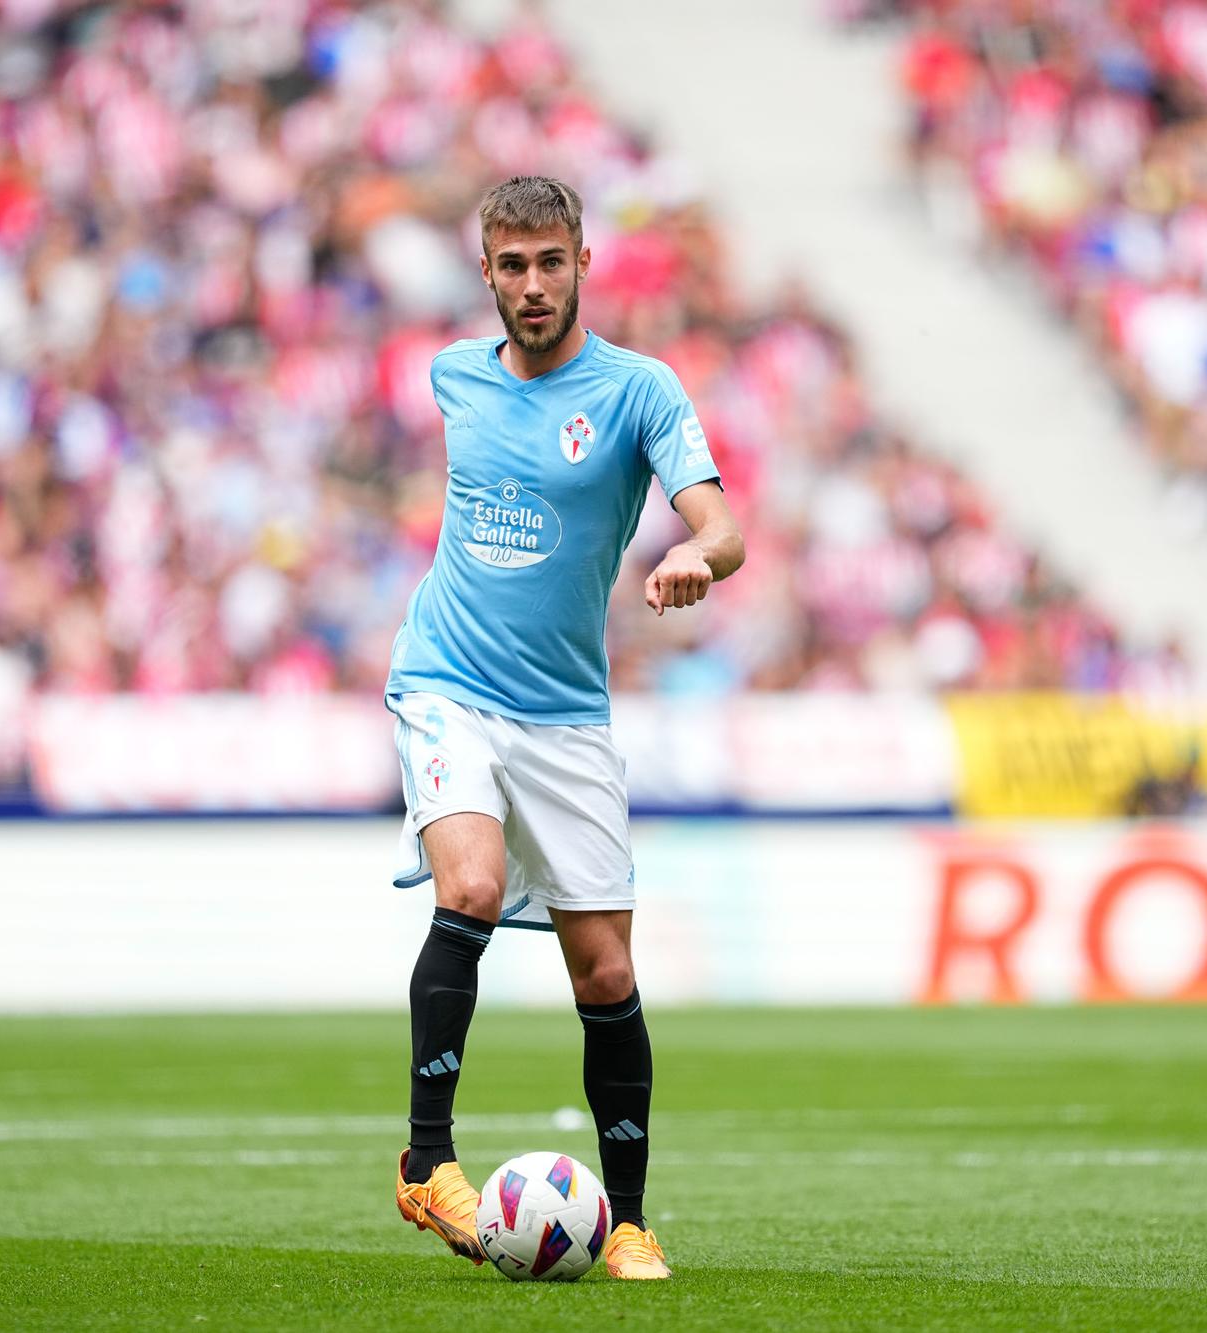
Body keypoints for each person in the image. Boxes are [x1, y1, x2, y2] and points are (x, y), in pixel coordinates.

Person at [387, 176, 744, 1280]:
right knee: (472, 889)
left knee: (602, 971)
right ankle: (426, 1163)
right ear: (486, 273)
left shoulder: (638, 392)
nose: (532, 285)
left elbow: (721, 524)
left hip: (564, 716)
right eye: (511, 265)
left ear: (583, 262)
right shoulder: (454, 375)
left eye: (550, 262)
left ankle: (628, 1219)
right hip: (443, 681)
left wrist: (694, 556)